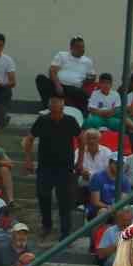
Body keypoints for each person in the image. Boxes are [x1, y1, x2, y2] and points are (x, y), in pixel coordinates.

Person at [24, 94, 81, 238]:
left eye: (58, 103)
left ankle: (65, 231)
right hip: (45, 166)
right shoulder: (42, 120)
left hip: (65, 167)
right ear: (49, 106)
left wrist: (80, 161)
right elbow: (29, 139)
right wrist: (28, 159)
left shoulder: (70, 121)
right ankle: (46, 225)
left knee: (64, 201)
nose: (55, 106)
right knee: (43, 196)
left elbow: (81, 139)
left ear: (63, 106)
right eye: (53, 103)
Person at [35, 34, 93, 112]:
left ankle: (68, 106)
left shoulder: (87, 61)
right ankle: (48, 108)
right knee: (40, 78)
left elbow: (92, 76)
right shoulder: (62, 55)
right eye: (78, 47)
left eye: (83, 47)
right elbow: (52, 71)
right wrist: (58, 85)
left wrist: (87, 80)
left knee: (82, 94)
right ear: (71, 48)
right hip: (58, 85)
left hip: (74, 89)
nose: (82, 49)